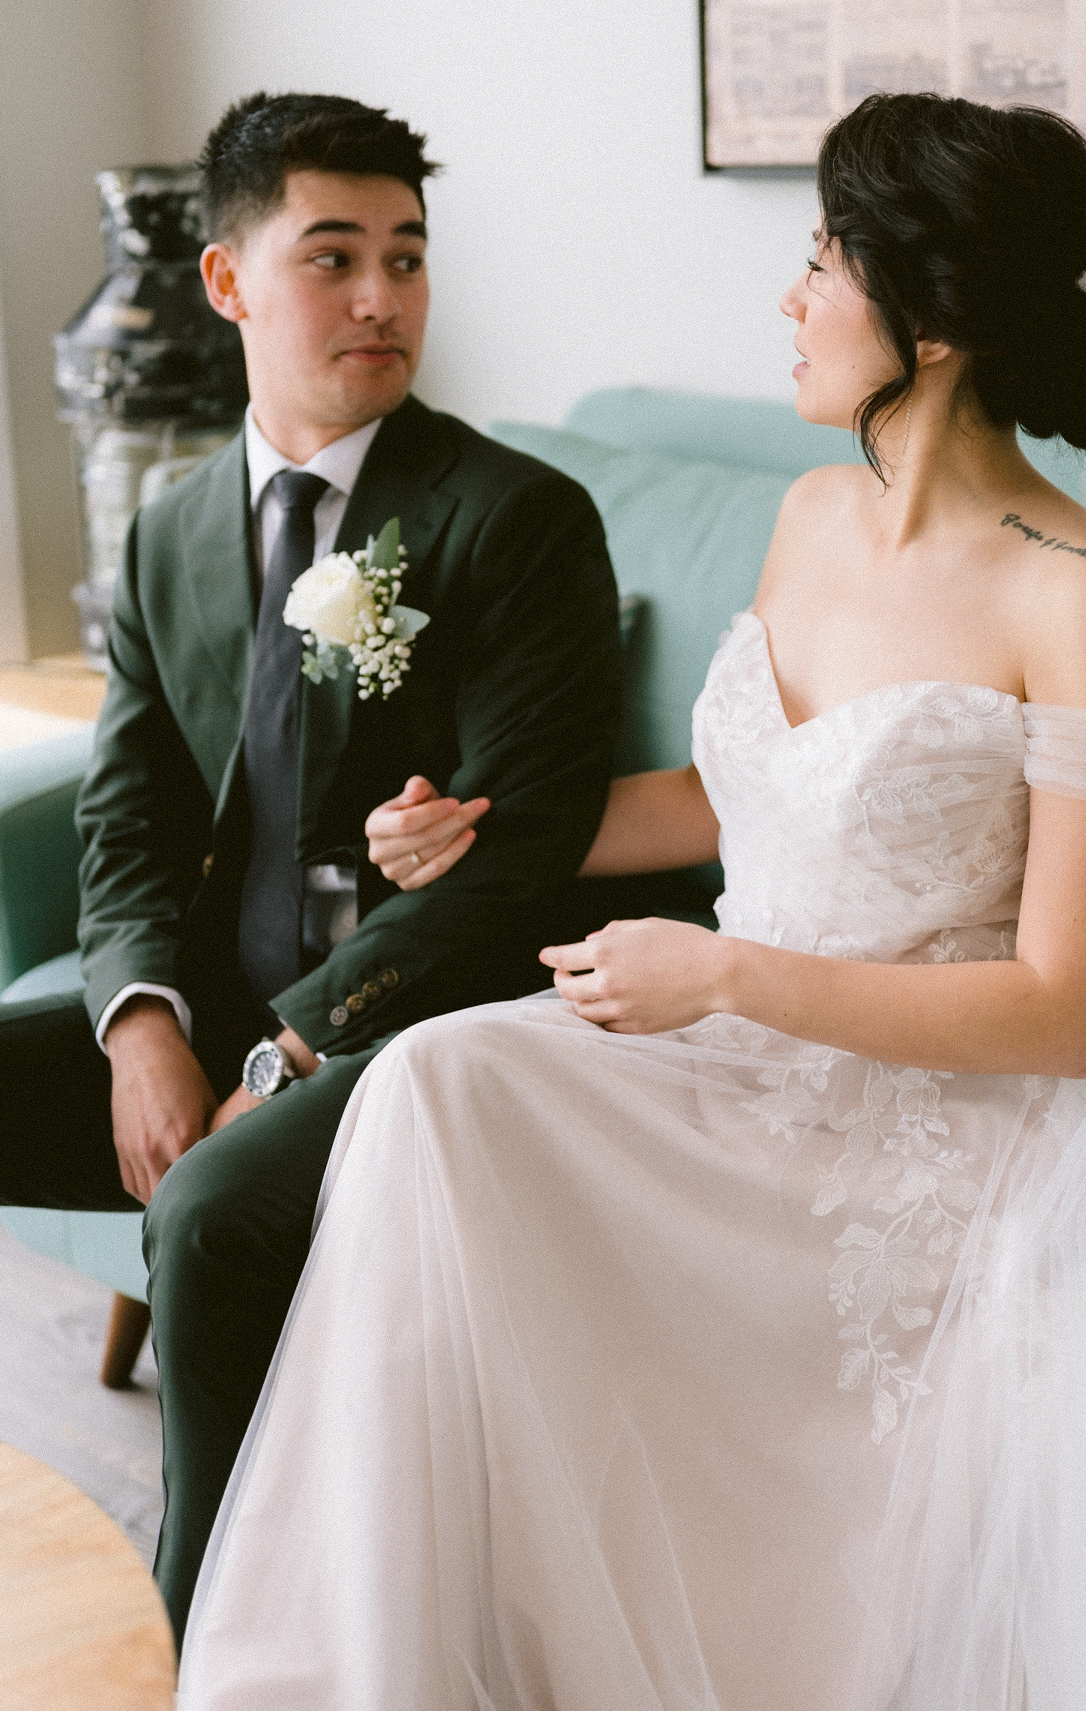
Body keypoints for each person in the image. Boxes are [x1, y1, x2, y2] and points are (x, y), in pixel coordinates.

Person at [178, 95, 1086, 1709]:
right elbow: (739, 798)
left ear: (939, 320)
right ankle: (383, 1662)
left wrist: (726, 977)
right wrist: (496, 836)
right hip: (732, 1052)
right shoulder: (811, 512)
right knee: (432, 1084)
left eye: (824, 261)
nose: (792, 299)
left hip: (928, 1127)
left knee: (441, 1084)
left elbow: (1070, 1012)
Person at [0, 91, 625, 1647]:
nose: (380, 298)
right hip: (213, 998)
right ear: (228, 284)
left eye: (407, 258)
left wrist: (285, 1050)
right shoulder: (167, 532)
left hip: (413, 1022)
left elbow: (527, 856)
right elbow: (126, 812)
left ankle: (199, 1634)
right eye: (333, 255)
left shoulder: (514, 519)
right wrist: (138, 1019)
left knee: (211, 1214)